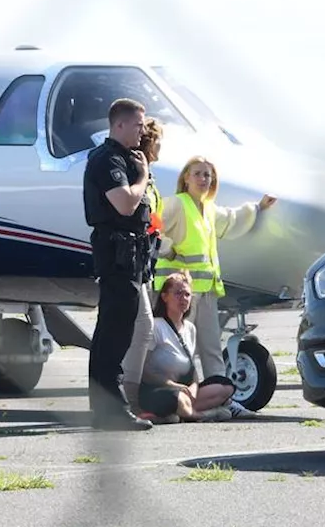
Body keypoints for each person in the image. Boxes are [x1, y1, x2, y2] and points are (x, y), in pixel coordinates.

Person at [153, 156, 276, 385]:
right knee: (179, 347)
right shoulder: (177, 203)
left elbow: (231, 219)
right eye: (197, 173)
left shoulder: (208, 209)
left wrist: (258, 208)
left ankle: (220, 396)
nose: (203, 179)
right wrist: (169, 251)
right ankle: (183, 396)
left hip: (206, 290)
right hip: (178, 293)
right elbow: (154, 229)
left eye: (207, 175)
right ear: (186, 178)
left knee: (211, 348)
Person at [82, 97, 156, 431]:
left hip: (130, 253)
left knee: (122, 329)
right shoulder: (107, 159)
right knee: (114, 332)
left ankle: (107, 408)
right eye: (138, 124)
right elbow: (125, 204)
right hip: (116, 252)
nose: (143, 130)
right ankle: (109, 409)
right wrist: (142, 175)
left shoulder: (125, 157)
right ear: (120, 124)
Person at [140, 270, 237, 423]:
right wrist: (172, 385)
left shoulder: (190, 328)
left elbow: (192, 371)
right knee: (176, 399)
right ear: (164, 297)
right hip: (159, 390)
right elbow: (144, 371)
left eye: (187, 294)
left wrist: (193, 388)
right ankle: (202, 415)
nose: (183, 299)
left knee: (226, 386)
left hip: (184, 391)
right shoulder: (156, 326)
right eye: (178, 293)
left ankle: (182, 412)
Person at [117, 116, 164, 418]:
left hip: (146, 259)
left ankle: (131, 392)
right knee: (142, 326)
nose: (162, 147)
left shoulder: (150, 176)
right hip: (132, 258)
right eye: (159, 141)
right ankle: (128, 397)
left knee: (140, 328)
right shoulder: (138, 172)